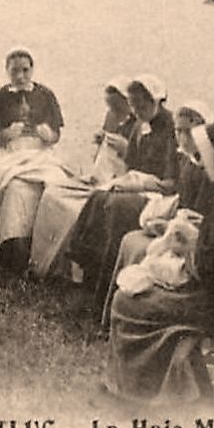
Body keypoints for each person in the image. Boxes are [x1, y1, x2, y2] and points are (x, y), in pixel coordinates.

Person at [106, 120, 214, 403]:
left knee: (126, 302)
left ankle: (139, 389)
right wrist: (203, 231)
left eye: (207, 153)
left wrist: (189, 242)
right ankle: (162, 385)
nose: (202, 159)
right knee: (136, 289)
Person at [68, 75, 179, 312]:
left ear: (156, 101)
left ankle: (106, 291)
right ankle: (89, 277)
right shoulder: (141, 125)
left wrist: (140, 184)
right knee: (98, 198)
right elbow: (131, 164)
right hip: (138, 185)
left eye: (141, 106)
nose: (137, 112)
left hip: (159, 194)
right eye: (134, 106)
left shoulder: (171, 129)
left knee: (117, 207)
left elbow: (171, 182)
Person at [102, 100, 214, 329]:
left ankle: (138, 320)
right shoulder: (190, 162)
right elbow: (183, 201)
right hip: (181, 227)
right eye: (178, 131)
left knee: (138, 246)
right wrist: (165, 223)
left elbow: (203, 213)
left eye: (188, 131)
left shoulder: (210, 168)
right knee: (130, 240)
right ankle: (113, 319)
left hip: (196, 240)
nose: (183, 137)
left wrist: (176, 227)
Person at [0, 48, 73, 272]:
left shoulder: (45, 94)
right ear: (7, 71)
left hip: (40, 153)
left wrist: (49, 135)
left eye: (25, 70)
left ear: (32, 69)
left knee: (55, 184)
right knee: (15, 189)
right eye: (15, 71)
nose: (20, 76)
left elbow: (56, 134)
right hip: (11, 153)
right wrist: (6, 135)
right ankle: (13, 250)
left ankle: (50, 251)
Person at [25, 76, 135, 279]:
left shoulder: (138, 125)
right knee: (53, 193)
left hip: (120, 182)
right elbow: (100, 156)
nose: (114, 112)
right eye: (110, 107)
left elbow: (142, 168)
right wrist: (100, 141)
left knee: (75, 210)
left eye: (118, 108)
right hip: (99, 176)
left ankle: (70, 271)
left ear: (130, 103)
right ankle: (43, 263)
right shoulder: (111, 116)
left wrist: (127, 149)